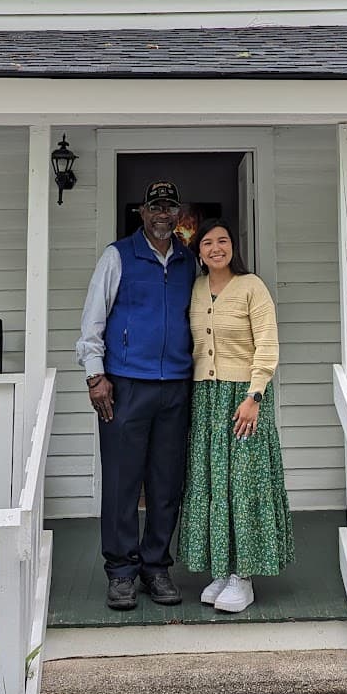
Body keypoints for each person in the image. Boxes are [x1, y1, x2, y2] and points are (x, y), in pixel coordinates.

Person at [76, 179, 196, 610]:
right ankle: (122, 572)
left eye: (169, 206)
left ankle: (155, 566)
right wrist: (95, 376)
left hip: (176, 387)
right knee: (123, 482)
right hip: (124, 385)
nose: (162, 214)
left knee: (166, 483)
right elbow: (92, 320)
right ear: (142, 213)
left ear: (177, 214)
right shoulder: (118, 256)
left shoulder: (188, 261)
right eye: (155, 207)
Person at [179, 219, 294, 612]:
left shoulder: (251, 287)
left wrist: (254, 394)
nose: (215, 248)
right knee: (213, 483)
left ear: (233, 247)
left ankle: (243, 577)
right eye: (207, 242)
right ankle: (221, 569)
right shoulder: (194, 289)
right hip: (205, 398)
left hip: (244, 396)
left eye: (222, 241)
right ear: (199, 252)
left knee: (243, 484)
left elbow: (267, 344)